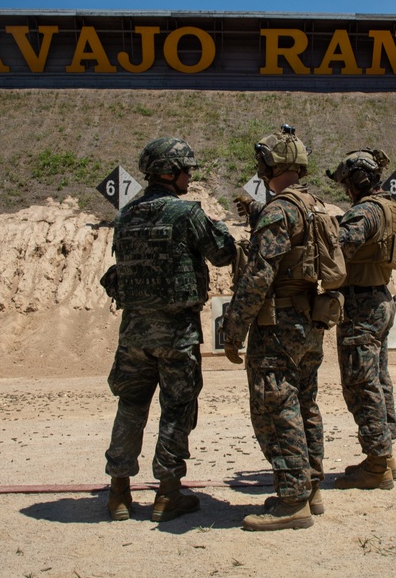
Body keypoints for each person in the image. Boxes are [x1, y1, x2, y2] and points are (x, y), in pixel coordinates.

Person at [101, 137, 236, 522]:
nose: (189, 176)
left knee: (130, 407)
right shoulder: (185, 213)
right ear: (169, 172)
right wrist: (220, 224)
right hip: (177, 333)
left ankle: (118, 492)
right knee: (177, 409)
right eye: (186, 170)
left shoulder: (125, 216)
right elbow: (224, 253)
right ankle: (168, 493)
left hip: (134, 334)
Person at [222, 126, 327, 532]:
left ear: (271, 165)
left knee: (275, 405)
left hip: (277, 324)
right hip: (309, 321)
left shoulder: (278, 210)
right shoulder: (315, 206)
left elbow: (258, 275)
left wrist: (233, 329)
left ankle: (291, 501)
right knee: (305, 404)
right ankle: (310, 487)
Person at [325, 148, 396, 490]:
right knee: (378, 380)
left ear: (358, 180)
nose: (345, 190)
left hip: (361, 304)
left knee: (361, 384)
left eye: (346, 183)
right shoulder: (391, 207)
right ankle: (385, 455)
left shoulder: (366, 212)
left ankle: (376, 464)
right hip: (379, 299)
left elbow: (339, 248)